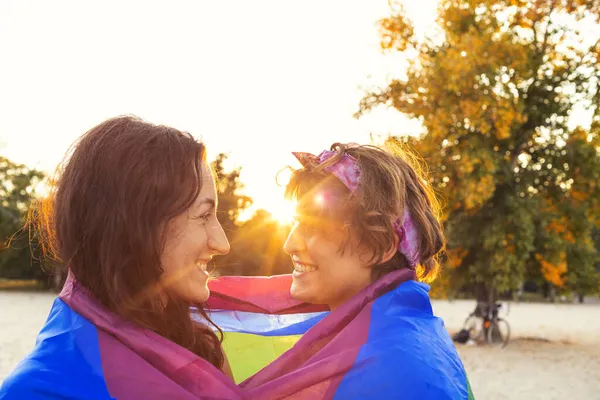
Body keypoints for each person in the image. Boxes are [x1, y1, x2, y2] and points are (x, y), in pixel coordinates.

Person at [0, 116, 243, 399]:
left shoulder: (199, 348)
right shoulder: (40, 391)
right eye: (204, 216)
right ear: (137, 227)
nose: (222, 244)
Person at [237, 142, 475, 399]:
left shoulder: (394, 368)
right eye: (296, 223)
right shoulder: (397, 336)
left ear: (380, 247)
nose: (289, 245)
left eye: (313, 227)